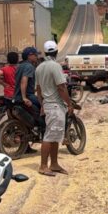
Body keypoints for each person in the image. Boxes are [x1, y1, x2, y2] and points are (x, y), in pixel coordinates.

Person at [35, 40, 74, 177]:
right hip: (55, 106)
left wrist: (42, 104)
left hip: (48, 104)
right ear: (56, 52)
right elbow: (61, 87)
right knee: (50, 136)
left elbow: (38, 90)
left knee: (55, 136)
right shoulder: (55, 66)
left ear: (45, 52)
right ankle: (43, 166)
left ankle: (55, 164)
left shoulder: (39, 68)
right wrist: (69, 104)